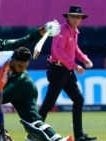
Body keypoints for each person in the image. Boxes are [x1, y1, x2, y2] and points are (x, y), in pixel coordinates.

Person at [38, 5, 97, 141]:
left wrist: (85, 59)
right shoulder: (62, 30)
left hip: (67, 71)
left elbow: (75, 49)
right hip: (58, 70)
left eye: (78, 17)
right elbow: (57, 52)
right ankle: (33, 132)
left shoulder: (74, 31)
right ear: (68, 17)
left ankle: (79, 136)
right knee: (48, 103)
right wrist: (76, 66)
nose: (76, 20)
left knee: (78, 100)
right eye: (74, 17)